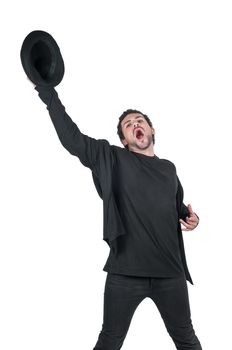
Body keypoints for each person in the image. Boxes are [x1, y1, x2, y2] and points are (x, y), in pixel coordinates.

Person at [31, 82, 202, 350]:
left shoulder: (169, 169)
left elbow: (176, 207)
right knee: (110, 340)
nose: (135, 124)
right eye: (128, 124)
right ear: (125, 139)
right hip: (125, 272)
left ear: (151, 129)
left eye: (140, 120)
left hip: (170, 273)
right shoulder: (111, 157)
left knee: (186, 339)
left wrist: (192, 219)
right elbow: (72, 139)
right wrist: (47, 93)